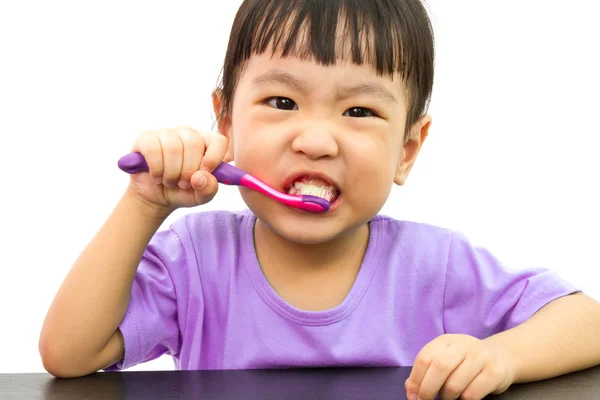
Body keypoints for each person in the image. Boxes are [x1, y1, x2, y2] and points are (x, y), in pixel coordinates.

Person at [39, 1, 600, 399]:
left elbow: (587, 322)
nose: (315, 139)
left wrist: (500, 357)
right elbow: (69, 354)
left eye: (359, 112)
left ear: (407, 150)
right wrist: (144, 203)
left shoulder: (436, 266)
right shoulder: (194, 261)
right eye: (282, 100)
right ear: (225, 122)